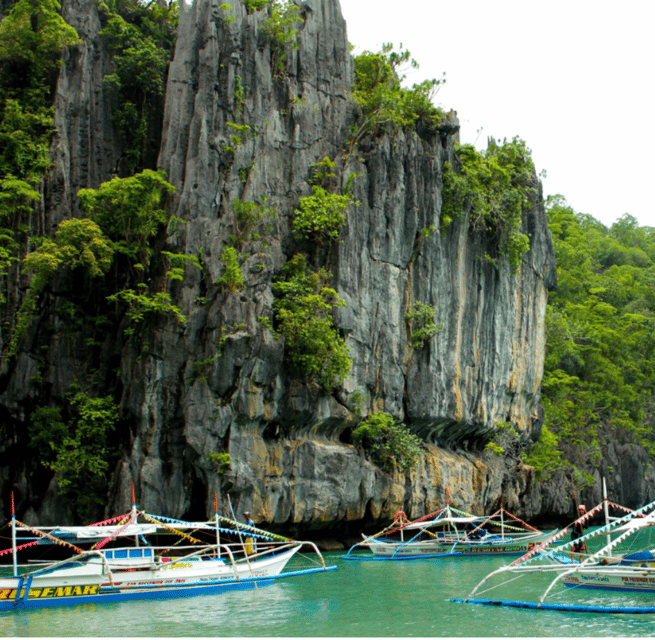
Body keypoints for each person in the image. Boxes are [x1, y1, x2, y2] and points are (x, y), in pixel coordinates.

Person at [570, 491, 588, 562]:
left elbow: (587, 527)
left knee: (582, 547)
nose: (581, 512)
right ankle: (572, 560)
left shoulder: (585, 518)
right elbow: (574, 507)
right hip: (574, 534)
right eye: (580, 510)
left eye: (582, 511)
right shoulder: (576, 516)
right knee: (573, 547)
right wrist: (574, 498)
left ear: (584, 511)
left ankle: (580, 559)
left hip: (581, 535)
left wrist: (583, 524)